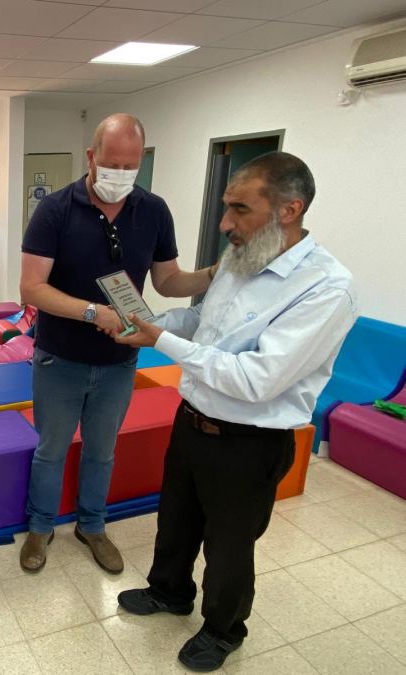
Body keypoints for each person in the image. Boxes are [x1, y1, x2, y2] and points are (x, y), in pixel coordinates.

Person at [114, 152, 356, 671]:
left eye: (240, 209)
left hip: (249, 441)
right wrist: (151, 324)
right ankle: (169, 591)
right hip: (192, 420)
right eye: (226, 207)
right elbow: (203, 321)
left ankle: (224, 629)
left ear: (289, 209)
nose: (225, 223)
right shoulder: (239, 258)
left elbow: (257, 379)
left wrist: (160, 342)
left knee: (229, 545)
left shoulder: (326, 288)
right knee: (176, 521)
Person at [19, 113, 215, 574]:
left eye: (130, 166)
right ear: (91, 157)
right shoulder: (55, 210)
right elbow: (31, 288)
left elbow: (167, 281)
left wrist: (215, 273)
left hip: (120, 359)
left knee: (102, 451)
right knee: (51, 449)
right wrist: (93, 312)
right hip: (59, 359)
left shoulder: (154, 210)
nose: (120, 175)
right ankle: (40, 527)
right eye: (111, 164)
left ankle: (92, 525)